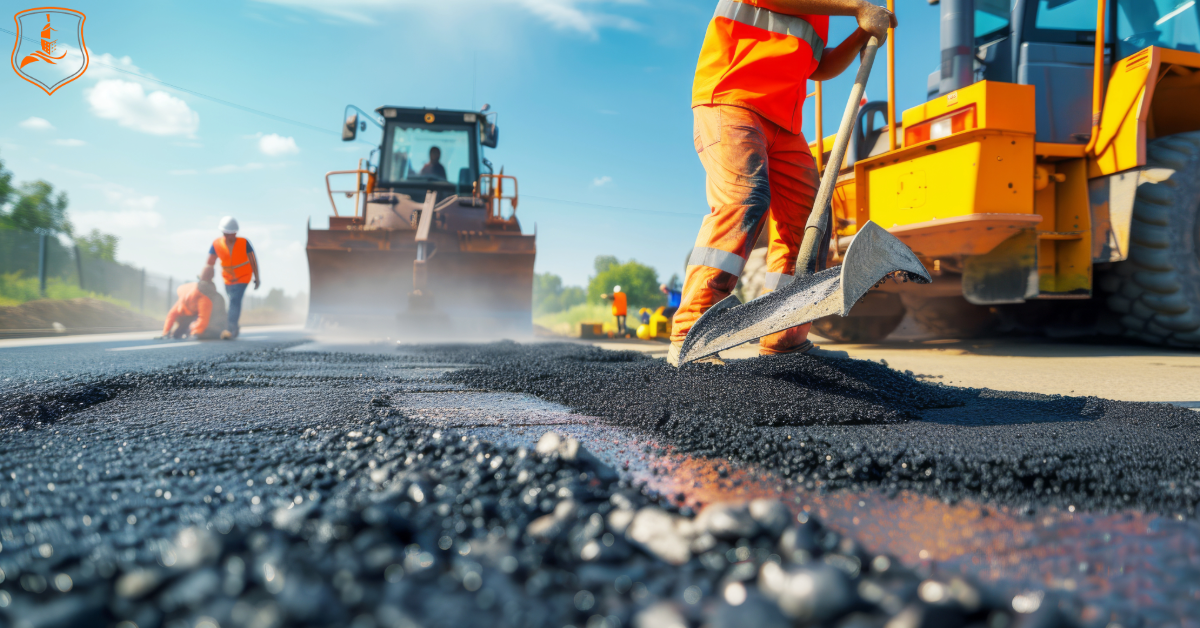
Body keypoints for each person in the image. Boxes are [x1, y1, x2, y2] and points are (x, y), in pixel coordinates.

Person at [667, 0, 896, 366]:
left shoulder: (820, 13)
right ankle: (690, 337)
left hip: (785, 125)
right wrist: (857, 9)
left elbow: (819, 67)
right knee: (745, 201)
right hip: (733, 100)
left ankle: (783, 341)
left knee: (809, 227)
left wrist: (861, 33)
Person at [205, 216, 261, 339]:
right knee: (231, 301)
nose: (229, 236)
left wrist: (257, 278)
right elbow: (210, 263)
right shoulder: (217, 244)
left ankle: (229, 329)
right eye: (226, 234)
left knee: (235, 301)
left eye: (232, 233)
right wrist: (205, 279)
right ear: (223, 233)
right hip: (228, 278)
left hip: (243, 277)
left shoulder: (244, 242)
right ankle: (234, 326)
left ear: (236, 233)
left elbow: (253, 261)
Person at [161, 266, 228, 340]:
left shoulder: (202, 297)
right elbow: (172, 315)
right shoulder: (207, 295)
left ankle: (187, 332)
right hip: (213, 326)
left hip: (211, 327)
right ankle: (185, 332)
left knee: (190, 328)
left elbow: (203, 318)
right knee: (181, 331)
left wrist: (194, 333)